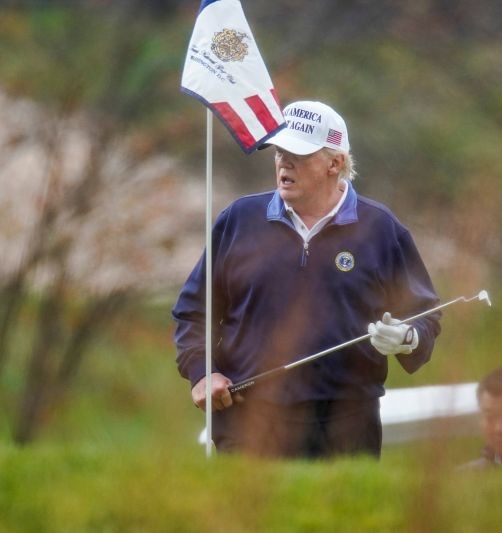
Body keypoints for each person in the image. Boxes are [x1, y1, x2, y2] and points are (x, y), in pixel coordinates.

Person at [172, 100, 441, 459]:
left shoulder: (380, 229)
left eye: (298, 154)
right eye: (280, 153)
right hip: (248, 420)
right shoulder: (238, 220)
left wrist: (407, 338)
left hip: (347, 426)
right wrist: (202, 372)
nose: (284, 163)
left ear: (335, 163)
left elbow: (425, 316)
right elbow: (194, 311)